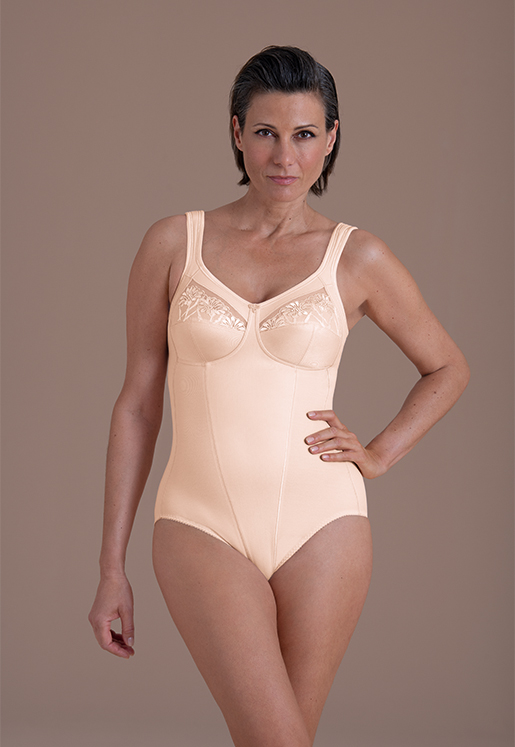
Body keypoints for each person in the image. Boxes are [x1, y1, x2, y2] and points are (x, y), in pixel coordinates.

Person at [88, 46, 469, 747]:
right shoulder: (173, 243)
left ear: (330, 138)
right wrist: (111, 566)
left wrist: (379, 453)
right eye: (265, 132)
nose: (284, 156)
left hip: (326, 526)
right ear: (236, 132)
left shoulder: (357, 257)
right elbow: (137, 405)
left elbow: (446, 367)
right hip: (199, 522)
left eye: (304, 134)